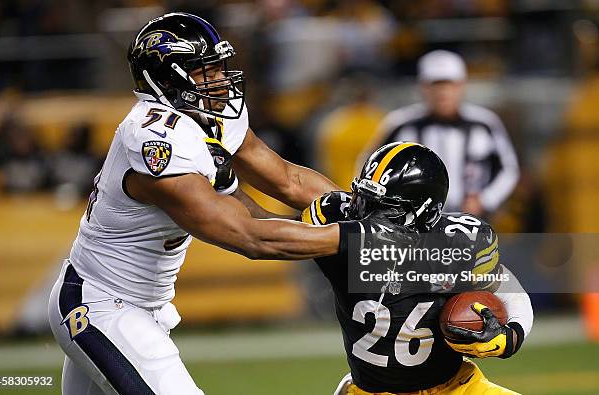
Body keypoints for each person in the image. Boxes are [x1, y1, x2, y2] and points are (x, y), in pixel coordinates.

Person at [47, 13, 393, 395]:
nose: (219, 80)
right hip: (103, 304)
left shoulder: (205, 117)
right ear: (163, 79)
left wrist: (371, 210)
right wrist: (362, 238)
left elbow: (287, 179)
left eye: (218, 68)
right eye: (204, 72)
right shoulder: (153, 139)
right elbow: (249, 236)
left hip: (140, 305)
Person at [302, 142, 533, 395]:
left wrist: (511, 336)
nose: (369, 217)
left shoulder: (455, 243)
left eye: (387, 209)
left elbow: (504, 283)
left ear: (424, 213)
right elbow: (283, 190)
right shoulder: (348, 235)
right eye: (367, 201)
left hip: (455, 386)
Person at [364, 50, 519, 216]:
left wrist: (485, 199)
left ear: (462, 86)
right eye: (436, 85)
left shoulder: (484, 123)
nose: (443, 92)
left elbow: (508, 168)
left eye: (449, 84)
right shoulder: (400, 124)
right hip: (411, 221)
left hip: (470, 219)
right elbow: (370, 166)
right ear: (422, 87)